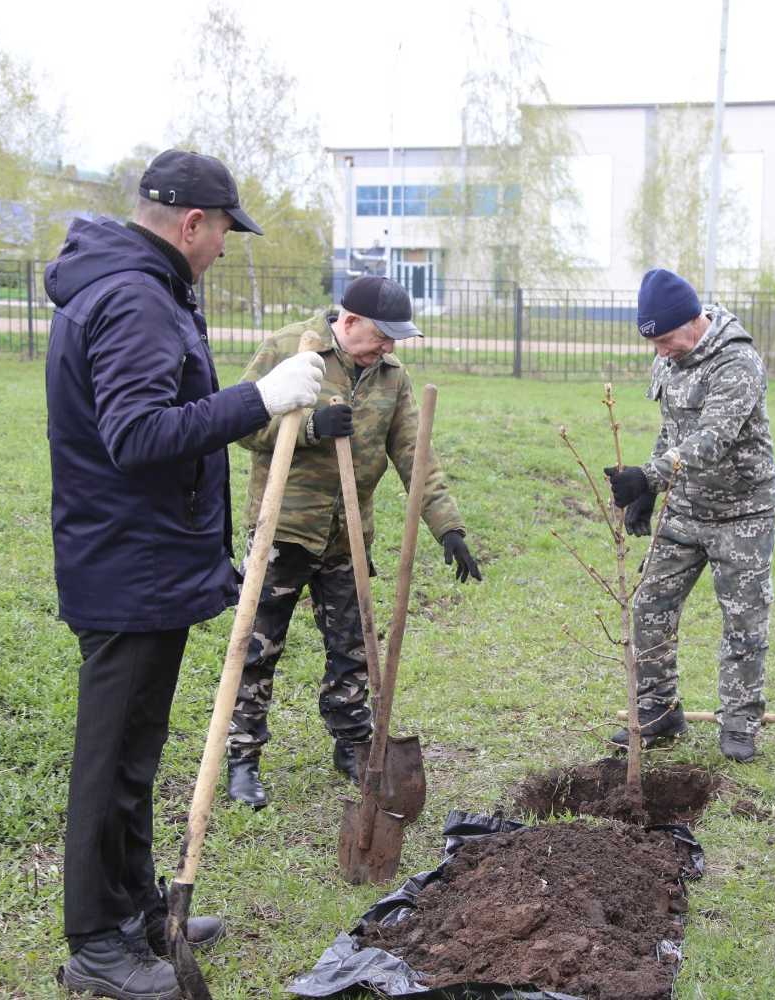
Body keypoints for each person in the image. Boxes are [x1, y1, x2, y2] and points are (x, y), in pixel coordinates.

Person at [45, 149, 326, 1000]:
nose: (228, 249)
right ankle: (97, 943)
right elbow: (137, 437)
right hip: (127, 570)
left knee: (136, 755)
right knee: (111, 756)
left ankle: (135, 912)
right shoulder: (132, 296)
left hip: (147, 562)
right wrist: (261, 399)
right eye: (225, 233)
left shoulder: (144, 286)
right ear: (191, 223)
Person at [224, 274, 482, 807]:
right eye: (383, 335)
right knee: (257, 647)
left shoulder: (392, 377)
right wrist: (311, 426)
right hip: (284, 529)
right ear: (349, 321)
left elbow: (416, 455)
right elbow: (242, 424)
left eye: (396, 338)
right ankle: (242, 758)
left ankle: (352, 745)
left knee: (352, 647)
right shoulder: (290, 348)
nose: (389, 346)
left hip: (348, 537)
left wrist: (447, 526)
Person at [602, 268, 775, 763]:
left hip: (742, 512)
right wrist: (650, 495)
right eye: (653, 343)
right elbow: (672, 432)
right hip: (684, 510)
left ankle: (740, 724)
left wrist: (649, 476)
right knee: (649, 606)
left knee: (743, 623)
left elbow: (710, 440)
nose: (660, 351)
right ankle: (658, 713)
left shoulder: (737, 363)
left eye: (665, 339)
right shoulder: (668, 360)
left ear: (693, 320)